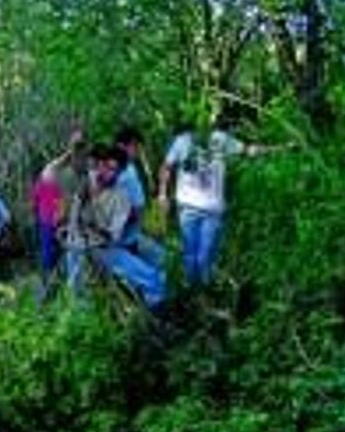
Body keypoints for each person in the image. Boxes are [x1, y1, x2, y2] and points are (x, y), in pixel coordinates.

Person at [157, 121, 260, 285]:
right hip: (188, 208)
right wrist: (162, 194)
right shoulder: (182, 141)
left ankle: (206, 288)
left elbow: (247, 150)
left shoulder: (221, 139)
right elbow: (166, 166)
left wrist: (275, 148)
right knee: (190, 254)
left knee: (205, 255)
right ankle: (192, 290)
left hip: (212, 211)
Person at [66, 146, 166, 310]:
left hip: (106, 247)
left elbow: (112, 237)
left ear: (120, 173)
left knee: (151, 277)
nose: (109, 173)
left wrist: (93, 230)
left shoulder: (121, 197)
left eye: (115, 170)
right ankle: (79, 311)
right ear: (100, 165)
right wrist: (76, 222)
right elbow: (73, 211)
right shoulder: (87, 181)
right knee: (75, 267)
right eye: (106, 167)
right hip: (78, 244)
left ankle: (156, 308)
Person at [114, 126, 165, 266]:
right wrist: (153, 229)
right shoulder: (127, 172)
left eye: (138, 146)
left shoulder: (114, 167)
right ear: (121, 146)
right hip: (127, 240)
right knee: (162, 259)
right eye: (134, 146)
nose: (137, 150)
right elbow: (138, 210)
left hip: (125, 236)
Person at [31, 149, 73, 284]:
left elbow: (34, 204)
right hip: (57, 220)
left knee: (49, 249)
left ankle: (50, 279)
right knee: (57, 248)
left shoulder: (43, 184)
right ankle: (54, 278)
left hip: (49, 220)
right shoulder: (56, 184)